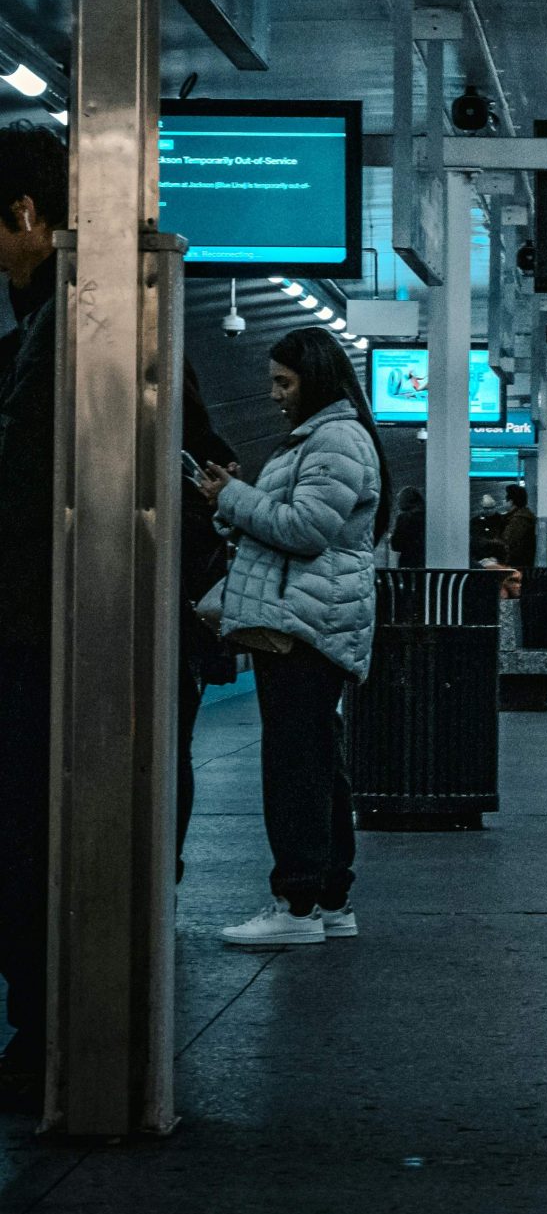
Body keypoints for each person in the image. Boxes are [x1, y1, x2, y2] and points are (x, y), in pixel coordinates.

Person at [194, 325, 388, 949]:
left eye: (284, 381)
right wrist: (238, 497)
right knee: (317, 760)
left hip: (309, 621)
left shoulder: (334, 438)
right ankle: (329, 897)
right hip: (312, 615)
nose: (275, 394)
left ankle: (295, 903)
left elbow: (306, 529)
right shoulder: (325, 437)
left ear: (316, 379)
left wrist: (234, 497)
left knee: (294, 763)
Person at [0, 122, 64, 1109]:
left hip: (39, 632)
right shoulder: (46, 323)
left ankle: (45, 1034)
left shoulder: (67, 328)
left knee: (28, 829)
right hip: (38, 625)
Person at [177, 362, 239, 887]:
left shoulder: (197, 455)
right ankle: (162, 870)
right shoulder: (209, 448)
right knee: (173, 747)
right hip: (189, 623)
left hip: (179, 618)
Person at [499, 482, 537, 575]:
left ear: (511, 501)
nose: (503, 501)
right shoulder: (521, 516)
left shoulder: (520, 519)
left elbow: (507, 540)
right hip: (521, 565)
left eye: (505, 499)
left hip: (518, 566)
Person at [387, 486, 426, 568]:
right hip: (424, 562)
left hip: (408, 563)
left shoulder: (403, 518)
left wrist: (391, 538)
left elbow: (396, 545)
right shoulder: (427, 518)